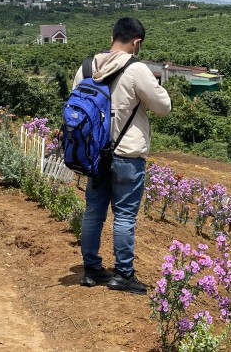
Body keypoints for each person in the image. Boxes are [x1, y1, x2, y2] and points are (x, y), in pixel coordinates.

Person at [76, 17, 172, 294]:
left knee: (94, 211)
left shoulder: (85, 68)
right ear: (136, 43)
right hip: (126, 155)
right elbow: (163, 106)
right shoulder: (136, 69)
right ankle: (123, 274)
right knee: (125, 216)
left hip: (93, 155)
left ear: (112, 36)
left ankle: (91, 269)